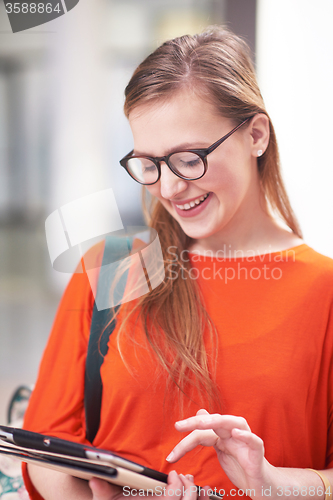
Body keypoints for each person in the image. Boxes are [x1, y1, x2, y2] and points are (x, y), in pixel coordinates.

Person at [22, 26, 333, 500]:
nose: (168, 189)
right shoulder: (108, 270)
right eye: (149, 164)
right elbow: (46, 448)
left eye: (189, 159)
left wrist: (273, 484)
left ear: (255, 134)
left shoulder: (324, 292)